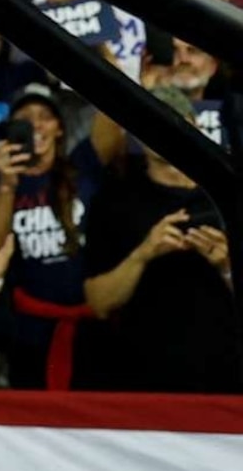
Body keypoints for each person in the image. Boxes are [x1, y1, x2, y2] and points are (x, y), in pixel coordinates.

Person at [74, 85, 243, 391]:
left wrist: (228, 267)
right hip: (143, 379)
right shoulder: (114, 199)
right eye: (150, 122)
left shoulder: (229, 194)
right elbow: (98, 302)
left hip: (227, 376)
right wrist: (144, 253)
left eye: (171, 121)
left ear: (194, 126)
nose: (160, 132)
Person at [0, 82, 88, 388]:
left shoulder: (82, 170)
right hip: (25, 332)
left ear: (60, 128)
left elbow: (113, 125)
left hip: (89, 330)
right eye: (25, 118)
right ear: (9, 130)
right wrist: (7, 185)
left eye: (44, 116)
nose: (35, 125)